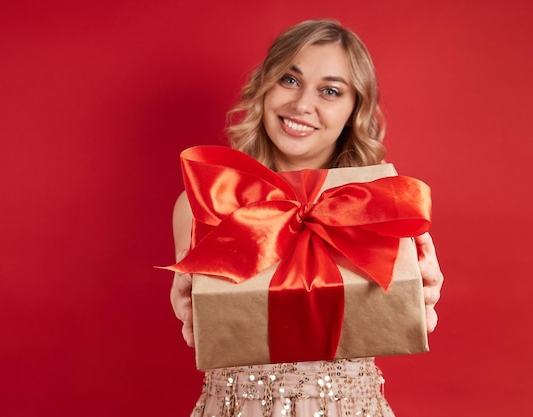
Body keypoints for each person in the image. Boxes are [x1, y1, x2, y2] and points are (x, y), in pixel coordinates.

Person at [170, 19, 444, 417]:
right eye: (289, 80)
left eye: (330, 91)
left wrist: (421, 299)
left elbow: (401, 309)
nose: (301, 105)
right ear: (264, 86)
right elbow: (200, 318)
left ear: (354, 110)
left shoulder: (380, 205)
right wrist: (187, 305)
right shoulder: (206, 201)